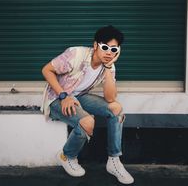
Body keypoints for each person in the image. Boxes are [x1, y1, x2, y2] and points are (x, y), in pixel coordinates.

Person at [41, 25, 134, 184]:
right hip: (57, 98)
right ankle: (67, 156)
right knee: (87, 122)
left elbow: (110, 98)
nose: (108, 52)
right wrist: (64, 96)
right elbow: (46, 70)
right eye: (105, 47)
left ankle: (114, 160)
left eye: (114, 49)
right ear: (95, 45)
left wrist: (108, 68)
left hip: (80, 97)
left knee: (116, 109)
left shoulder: (109, 66)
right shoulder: (76, 54)